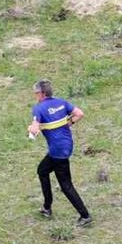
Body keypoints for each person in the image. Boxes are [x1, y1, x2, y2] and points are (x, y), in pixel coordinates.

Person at [27, 79, 93, 226]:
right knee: (42, 170)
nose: (35, 95)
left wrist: (31, 129)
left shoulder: (39, 108)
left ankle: (85, 216)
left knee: (66, 185)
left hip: (57, 151)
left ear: (42, 93)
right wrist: (68, 123)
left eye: (36, 93)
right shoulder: (61, 102)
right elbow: (79, 114)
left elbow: (35, 129)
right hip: (67, 145)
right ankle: (47, 207)